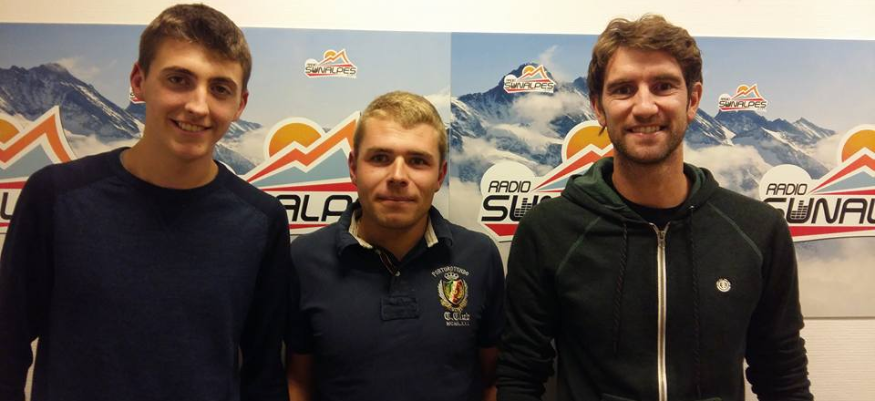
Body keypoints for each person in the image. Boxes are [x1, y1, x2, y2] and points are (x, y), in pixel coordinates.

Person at [497, 14, 813, 401]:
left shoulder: (758, 230)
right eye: (623, 89)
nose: (645, 107)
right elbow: (520, 374)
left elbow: (783, 375)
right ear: (598, 107)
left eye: (663, 86)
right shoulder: (548, 231)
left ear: (692, 100)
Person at [0, 4, 290, 401]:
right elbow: (7, 345)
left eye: (220, 89)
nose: (198, 106)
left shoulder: (261, 221)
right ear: (139, 82)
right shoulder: (55, 197)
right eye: (178, 79)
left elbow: (263, 374)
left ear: (240, 104)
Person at [285, 91, 505, 401]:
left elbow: (495, 378)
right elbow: (298, 381)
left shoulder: (479, 256)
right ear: (353, 167)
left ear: (440, 175)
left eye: (417, 161)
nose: (398, 176)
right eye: (380, 158)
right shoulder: (305, 259)